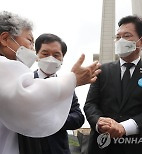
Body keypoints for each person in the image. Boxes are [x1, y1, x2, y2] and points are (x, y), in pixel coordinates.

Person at [0, 11, 100, 154]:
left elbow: (78, 117)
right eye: (29, 40)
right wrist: (73, 79)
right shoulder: (7, 68)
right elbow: (26, 98)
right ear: (4, 39)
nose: (31, 49)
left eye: (56, 55)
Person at [84, 15, 142, 154]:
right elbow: (90, 104)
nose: (120, 41)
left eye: (127, 36)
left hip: (141, 147)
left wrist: (124, 127)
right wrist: (99, 122)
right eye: (118, 37)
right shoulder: (102, 71)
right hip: (102, 147)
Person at [18, 33, 85, 154]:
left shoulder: (66, 85)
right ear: (37, 55)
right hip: (28, 148)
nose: (50, 58)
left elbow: (78, 118)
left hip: (58, 149)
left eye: (56, 55)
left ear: (62, 59)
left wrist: (54, 119)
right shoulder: (24, 81)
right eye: (45, 53)